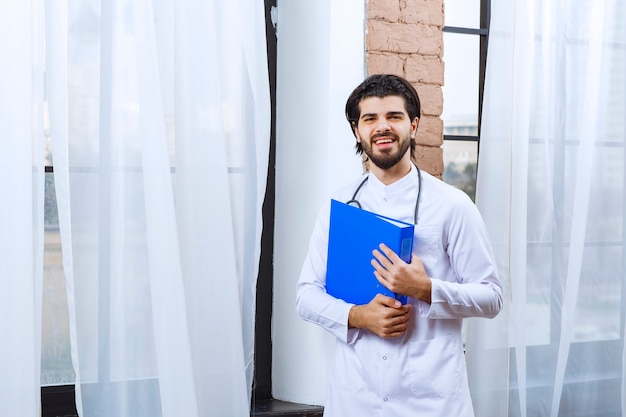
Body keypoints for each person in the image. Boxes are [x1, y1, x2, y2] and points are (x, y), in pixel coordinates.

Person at [295, 74, 503, 417]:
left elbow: (491, 297)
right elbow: (305, 295)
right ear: (357, 131)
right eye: (370, 119)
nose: (382, 127)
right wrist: (359, 316)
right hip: (356, 399)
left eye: (394, 116)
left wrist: (425, 289)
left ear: (414, 125)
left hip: (432, 400)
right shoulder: (339, 205)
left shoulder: (453, 205)